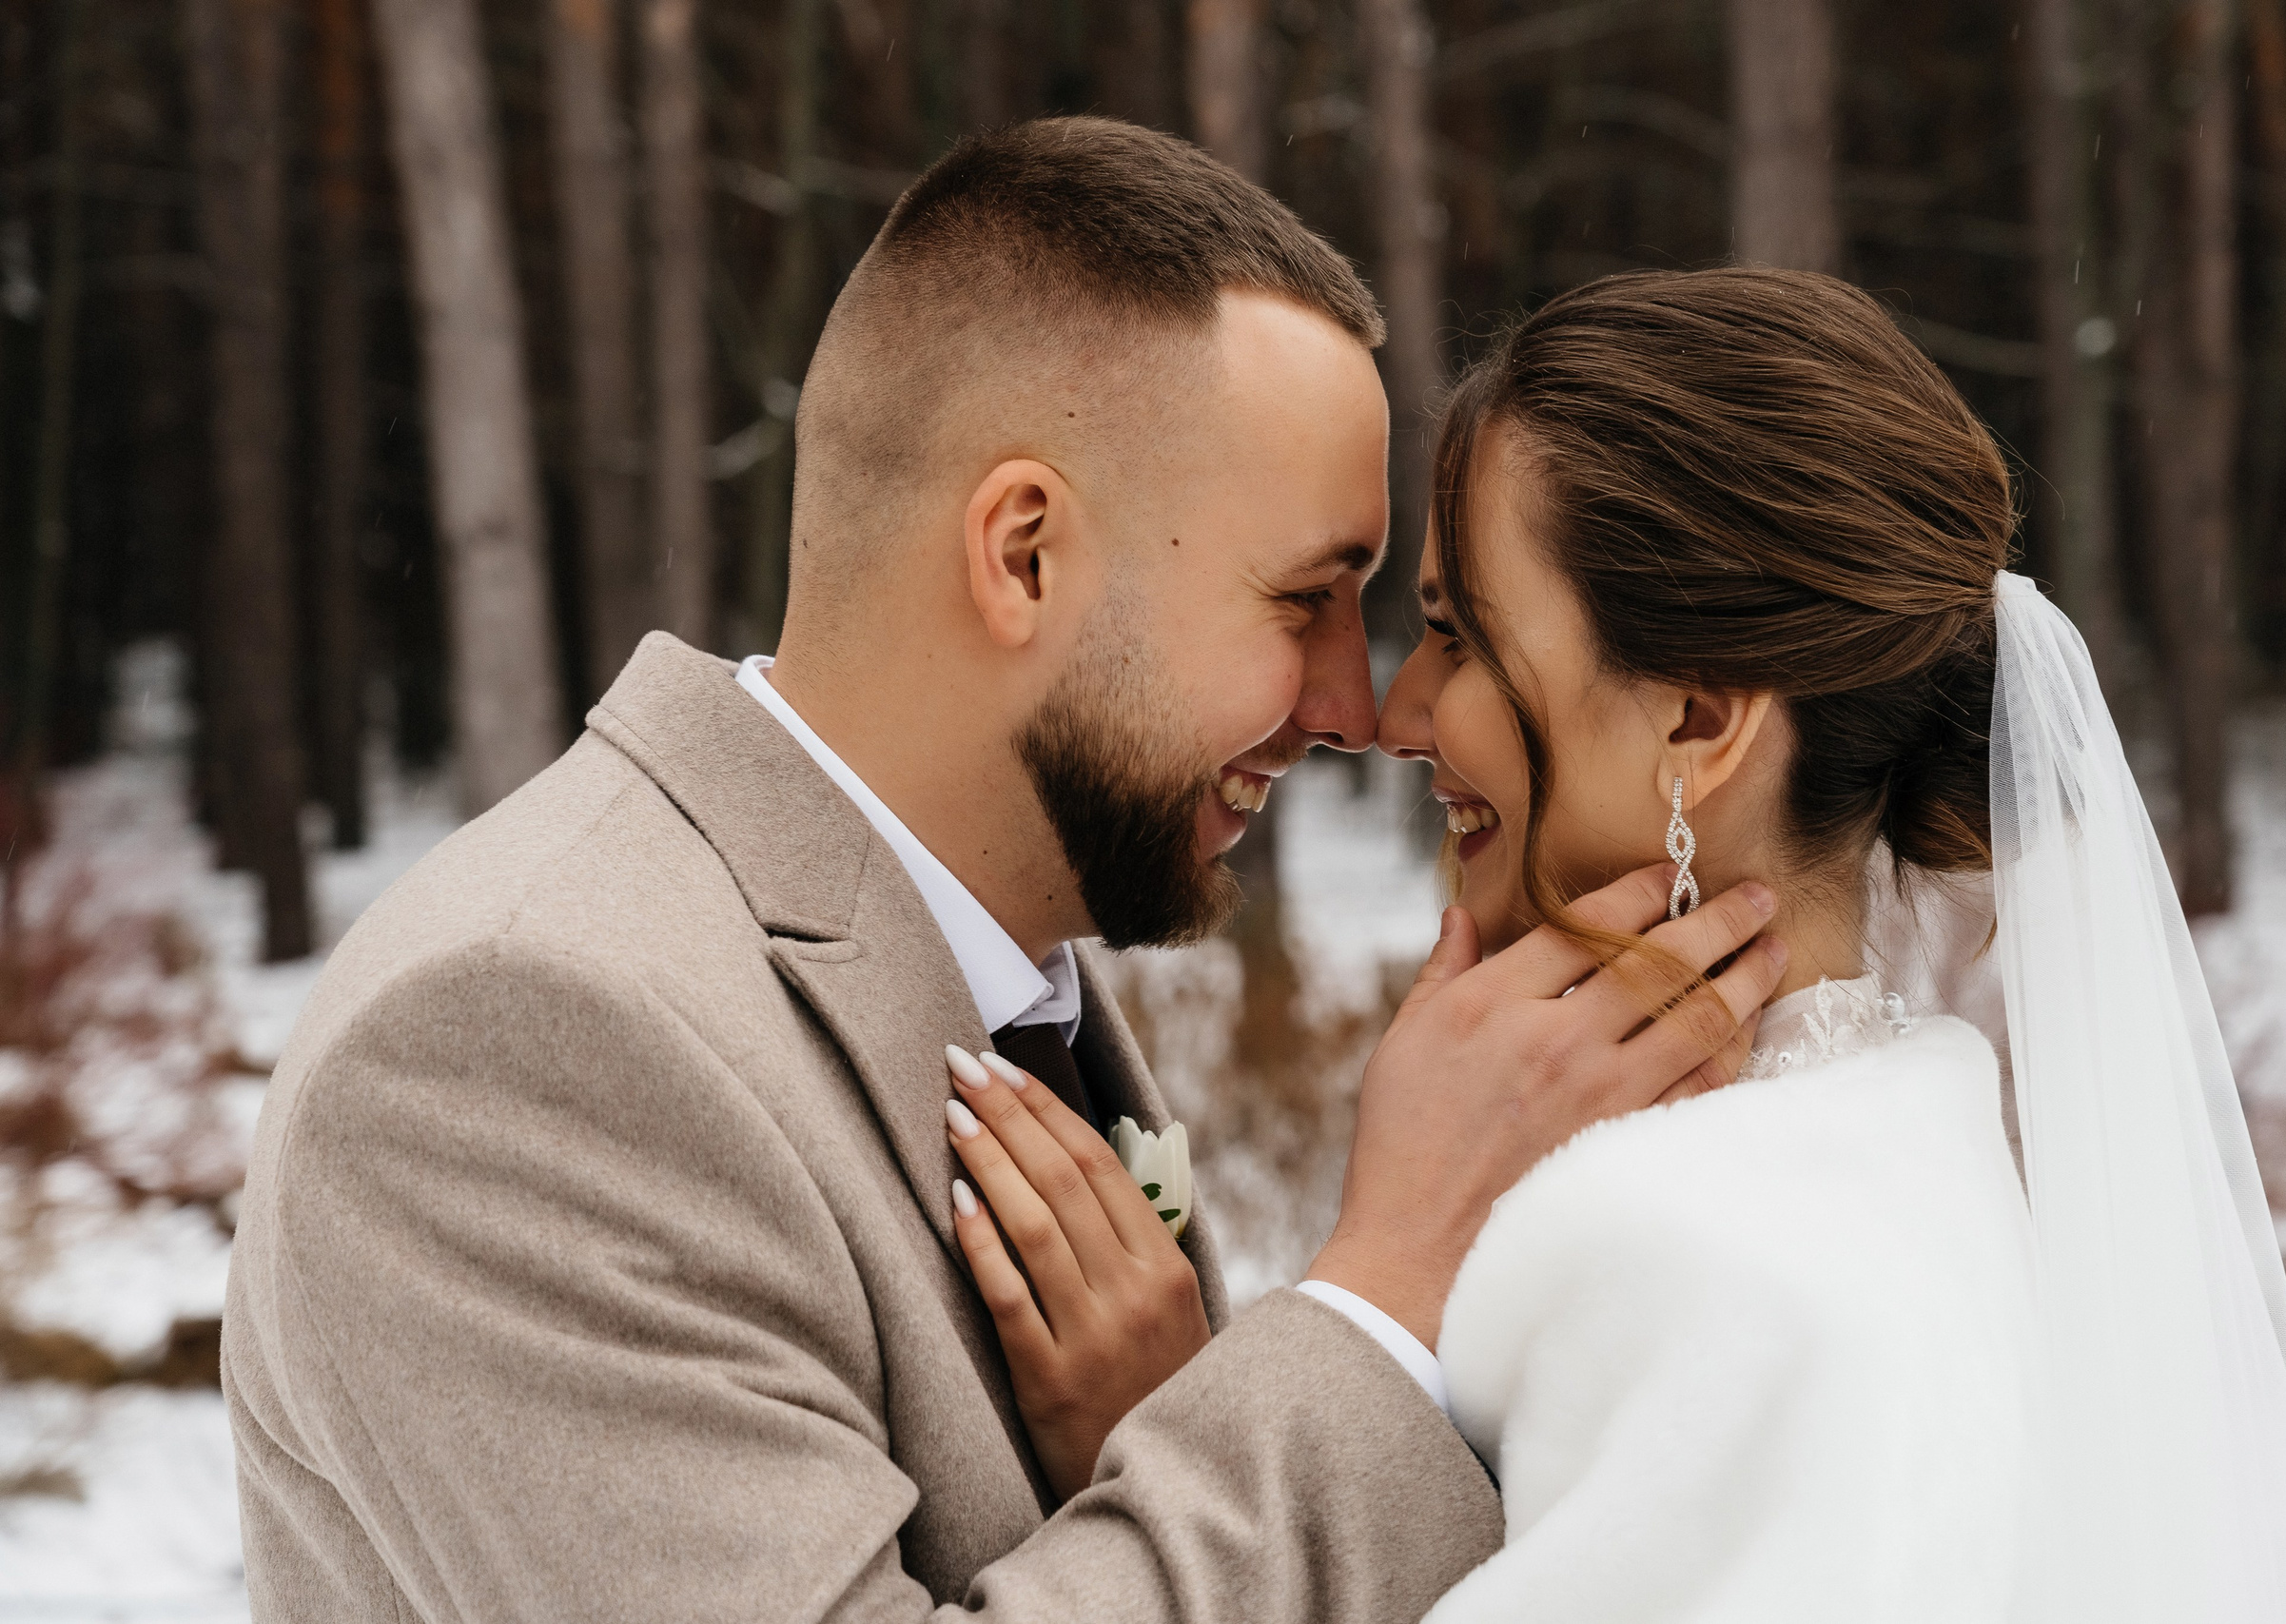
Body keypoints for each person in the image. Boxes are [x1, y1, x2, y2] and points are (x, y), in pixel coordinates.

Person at [219, 120, 1788, 1621]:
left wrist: (1175, 1421)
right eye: (1306, 597)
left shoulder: (1000, 981)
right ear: (1024, 550)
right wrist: (1384, 1296)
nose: (1350, 708)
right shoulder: (517, 1046)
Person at [1371, 269, 2286, 1620]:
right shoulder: (1922, 1134)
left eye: (1454, 635)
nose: (1396, 713)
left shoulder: (1683, 1248)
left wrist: (1247, 1379)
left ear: (1700, 721)